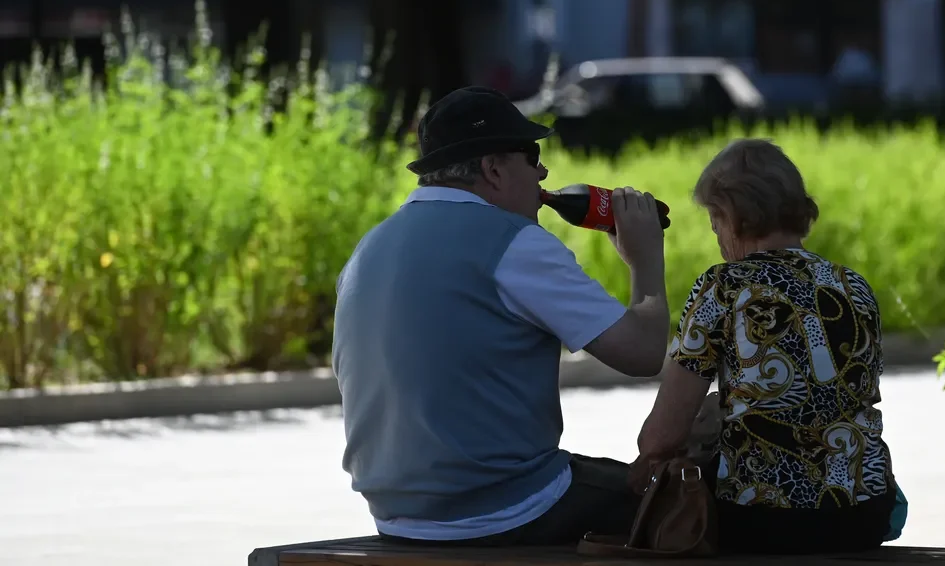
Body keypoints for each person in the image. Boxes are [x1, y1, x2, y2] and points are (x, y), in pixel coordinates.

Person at [331, 86, 671, 547]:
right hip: (505, 508)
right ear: (493, 168)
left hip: (396, 515)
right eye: (532, 158)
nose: (543, 173)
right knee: (680, 498)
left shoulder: (370, 246)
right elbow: (643, 353)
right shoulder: (514, 242)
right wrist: (645, 261)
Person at [632, 138, 904, 555]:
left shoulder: (723, 287)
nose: (717, 236)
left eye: (715, 222)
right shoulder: (853, 286)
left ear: (732, 214)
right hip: (864, 514)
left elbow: (661, 438)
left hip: (763, 519)